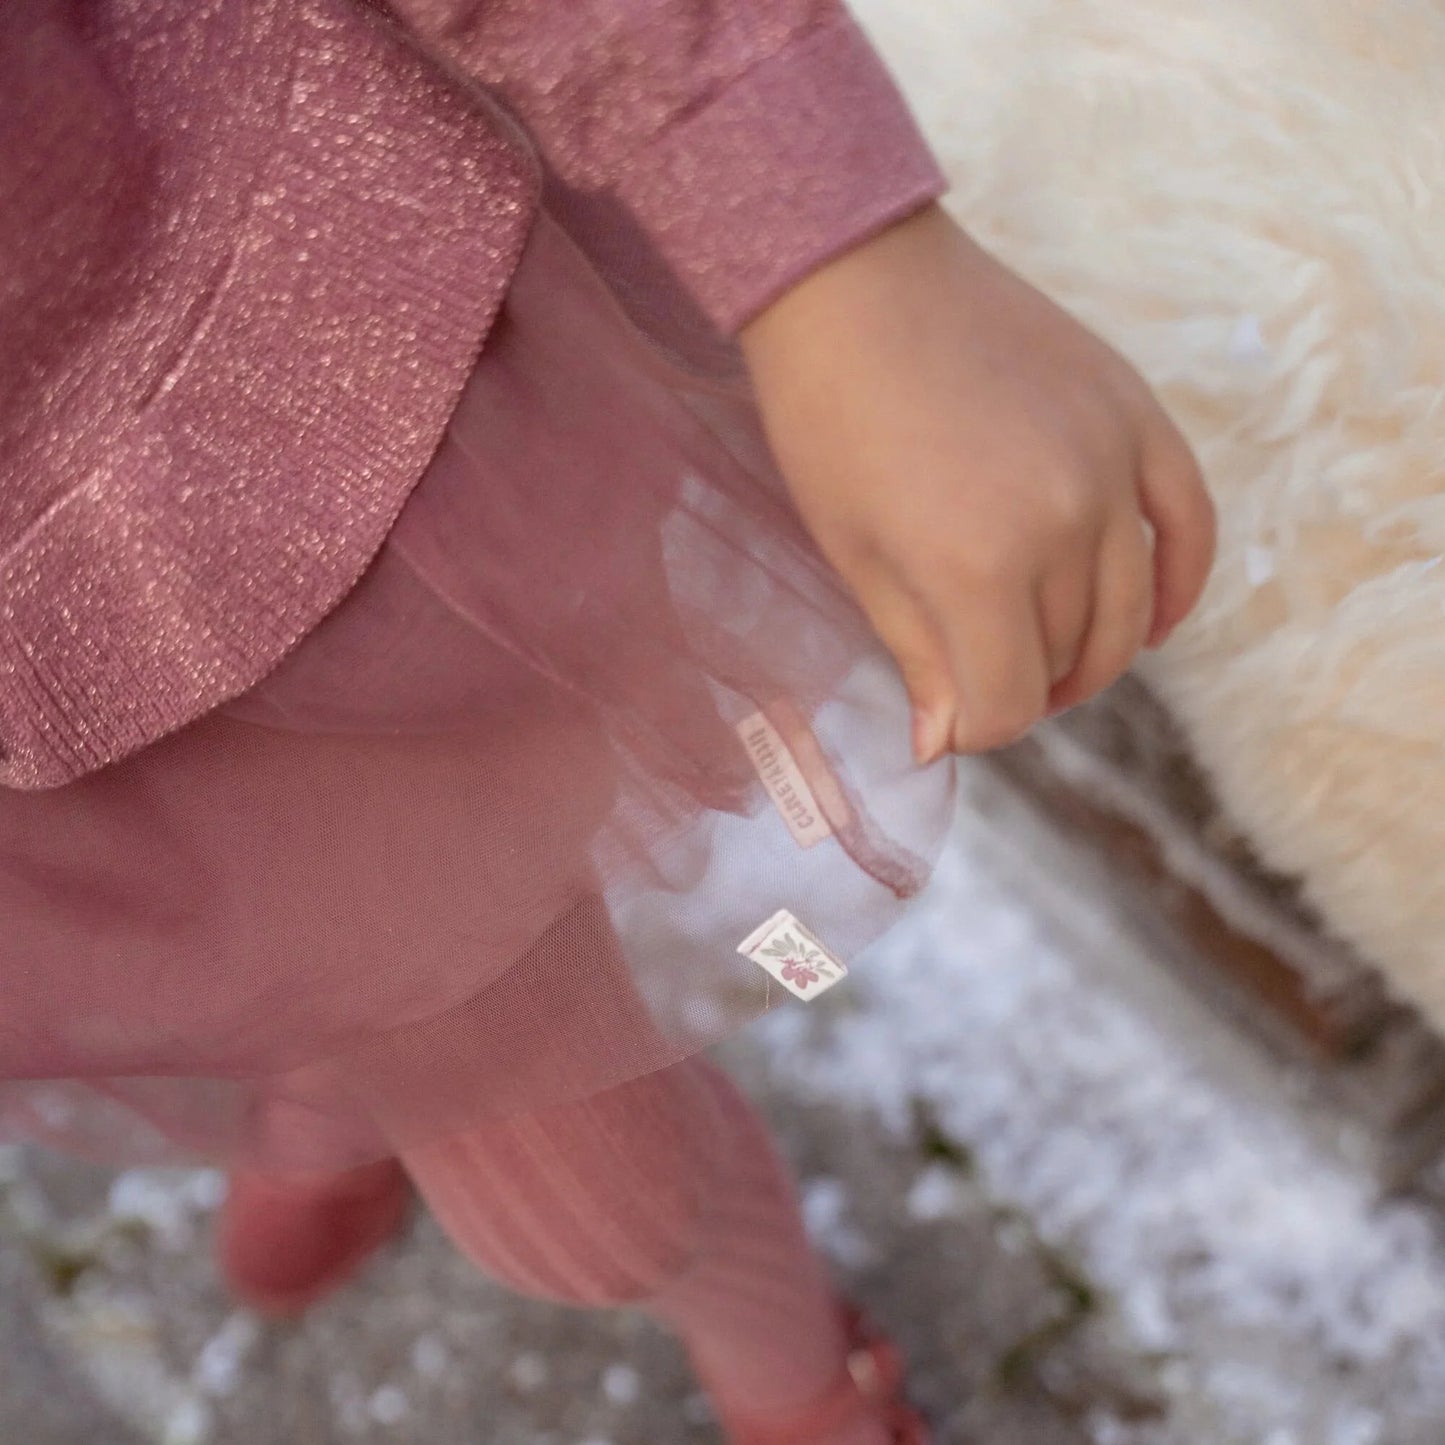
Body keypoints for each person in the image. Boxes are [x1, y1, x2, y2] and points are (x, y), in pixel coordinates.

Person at [0, 2, 1214, 1440]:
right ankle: (336, 1100)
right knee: (212, 993)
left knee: (597, 1210)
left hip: (298, 434)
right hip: (46, 795)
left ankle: (798, 1376)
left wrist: (823, 235)